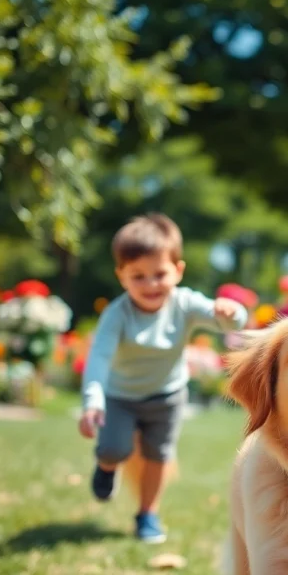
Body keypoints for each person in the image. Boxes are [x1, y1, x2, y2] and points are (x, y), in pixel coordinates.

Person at [77, 213, 248, 543]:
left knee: (158, 455)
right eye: (138, 276)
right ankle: (106, 465)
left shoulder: (184, 303)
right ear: (121, 276)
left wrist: (232, 312)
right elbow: (99, 358)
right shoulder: (117, 314)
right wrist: (92, 402)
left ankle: (147, 515)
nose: (151, 284)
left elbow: (228, 323)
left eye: (160, 274)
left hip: (167, 397)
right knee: (113, 447)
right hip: (120, 397)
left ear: (178, 271)